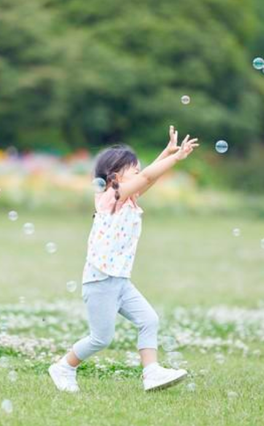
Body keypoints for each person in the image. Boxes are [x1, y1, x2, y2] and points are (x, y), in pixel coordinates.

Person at [49, 126, 199, 392]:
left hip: (119, 280)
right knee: (101, 338)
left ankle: (151, 373)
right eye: (135, 170)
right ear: (116, 177)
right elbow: (148, 177)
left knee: (149, 320)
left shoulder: (129, 198)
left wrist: (167, 151)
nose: (140, 174)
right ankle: (63, 367)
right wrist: (173, 158)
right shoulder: (109, 198)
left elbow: (149, 179)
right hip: (100, 281)